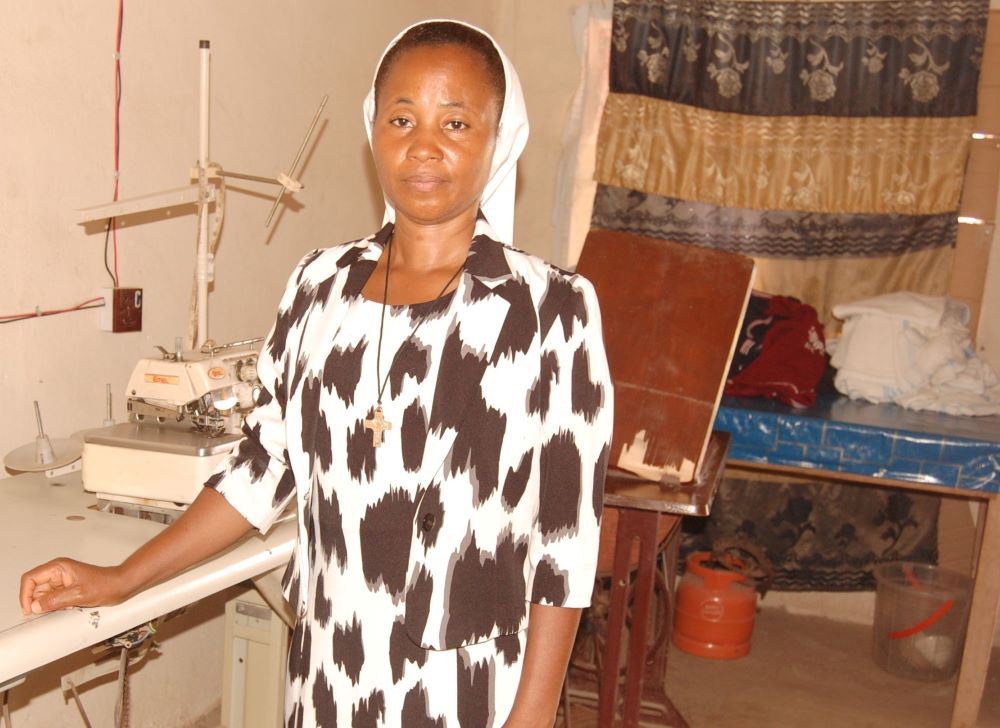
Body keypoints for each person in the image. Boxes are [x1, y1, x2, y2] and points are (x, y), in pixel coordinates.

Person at [20, 19, 612, 728]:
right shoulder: (317, 287)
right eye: (402, 118)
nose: (424, 144)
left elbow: (565, 536)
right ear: (374, 131)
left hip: (474, 688)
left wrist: (535, 712)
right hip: (333, 676)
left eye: (456, 121)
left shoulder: (550, 309)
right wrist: (121, 579)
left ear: (499, 136)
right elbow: (261, 470)